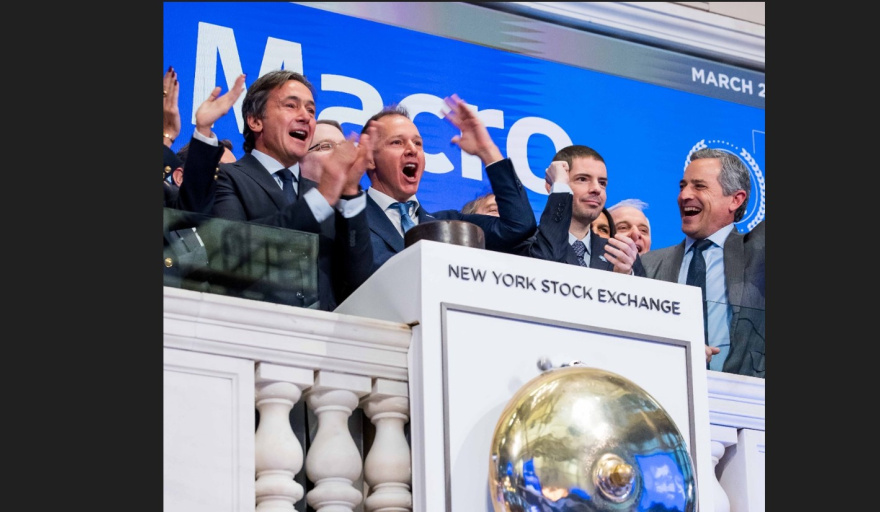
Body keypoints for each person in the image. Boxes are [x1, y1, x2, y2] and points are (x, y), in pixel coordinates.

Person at [210, 69, 375, 311]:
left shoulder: (324, 196)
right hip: (252, 325)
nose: (306, 117)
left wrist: (350, 191)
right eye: (291, 106)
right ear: (255, 121)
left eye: (311, 110)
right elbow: (231, 255)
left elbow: (358, 282)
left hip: (324, 331)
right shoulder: (226, 177)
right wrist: (322, 198)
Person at [363, 95, 536, 273]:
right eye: (397, 142)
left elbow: (518, 226)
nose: (412, 149)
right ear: (369, 159)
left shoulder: (449, 225)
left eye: (418, 143)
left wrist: (487, 150)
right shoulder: (350, 218)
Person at [640, 148, 764, 377]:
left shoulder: (758, 256)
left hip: (746, 393)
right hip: (668, 388)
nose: (684, 195)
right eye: (682, 186)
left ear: (735, 199)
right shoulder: (647, 265)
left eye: (699, 186)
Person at [518, 145, 645, 276]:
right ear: (552, 186)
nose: (597, 189)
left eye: (602, 183)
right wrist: (559, 186)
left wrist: (625, 278)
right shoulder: (526, 242)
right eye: (582, 179)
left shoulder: (623, 255)